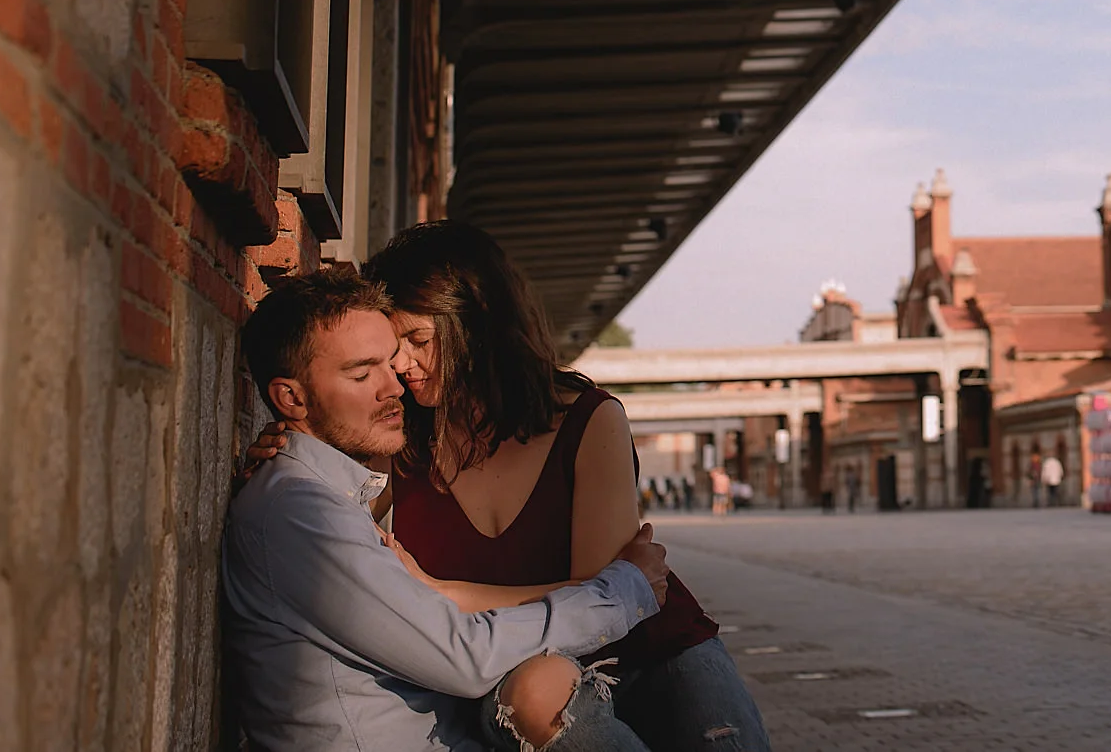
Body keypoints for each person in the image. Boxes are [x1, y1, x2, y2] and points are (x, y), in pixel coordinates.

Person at [223, 264, 672, 752]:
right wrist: (624, 590)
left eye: (389, 362)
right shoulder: (302, 514)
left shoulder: (334, 490)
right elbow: (466, 656)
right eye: (360, 373)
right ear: (291, 398)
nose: (394, 386)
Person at [372, 223, 770, 751]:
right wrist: (285, 443)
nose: (400, 365)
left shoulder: (589, 420)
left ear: (479, 323)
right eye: (389, 349)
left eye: (417, 341)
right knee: (536, 693)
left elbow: (608, 604)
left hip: (658, 654)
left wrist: (446, 596)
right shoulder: (397, 439)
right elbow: (322, 494)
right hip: (528, 683)